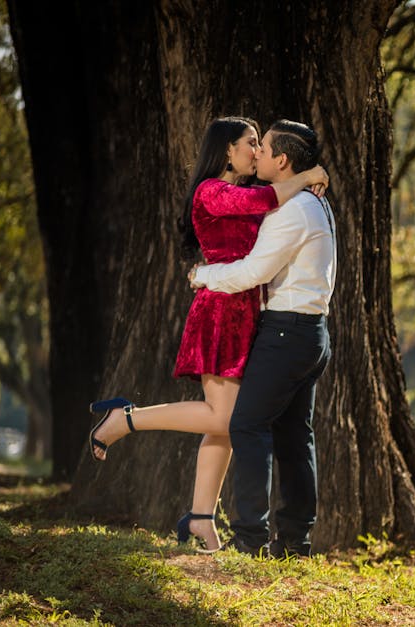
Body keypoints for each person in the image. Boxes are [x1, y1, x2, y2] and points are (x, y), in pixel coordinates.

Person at [88, 116, 329, 553]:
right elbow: (268, 197)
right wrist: (309, 175)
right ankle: (125, 419)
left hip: (245, 312)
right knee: (225, 420)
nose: (256, 151)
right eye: (250, 143)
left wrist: (302, 183)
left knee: (226, 421)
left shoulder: (257, 197)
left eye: (261, 144)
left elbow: (270, 203)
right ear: (226, 151)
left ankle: (202, 517)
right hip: (220, 311)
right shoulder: (212, 191)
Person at [189, 119, 336, 558]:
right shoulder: (315, 203)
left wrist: (203, 275)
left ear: (282, 160)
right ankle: (294, 542)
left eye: (264, 148)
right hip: (312, 332)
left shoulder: (291, 210)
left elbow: (254, 272)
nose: (258, 155)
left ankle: (250, 539)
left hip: (288, 330)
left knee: (247, 425)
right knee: (294, 435)